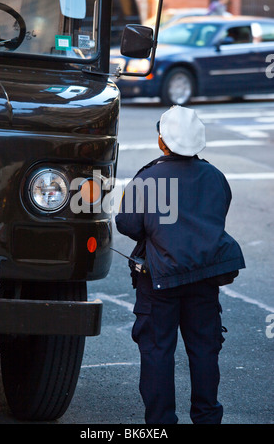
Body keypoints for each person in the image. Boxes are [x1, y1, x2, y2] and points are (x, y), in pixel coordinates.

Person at [115, 105, 245, 424]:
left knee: (158, 351)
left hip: (159, 278)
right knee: (204, 349)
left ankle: (161, 422)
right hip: (205, 276)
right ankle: (207, 417)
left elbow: (127, 224)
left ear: (163, 142)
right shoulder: (215, 176)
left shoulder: (149, 178)